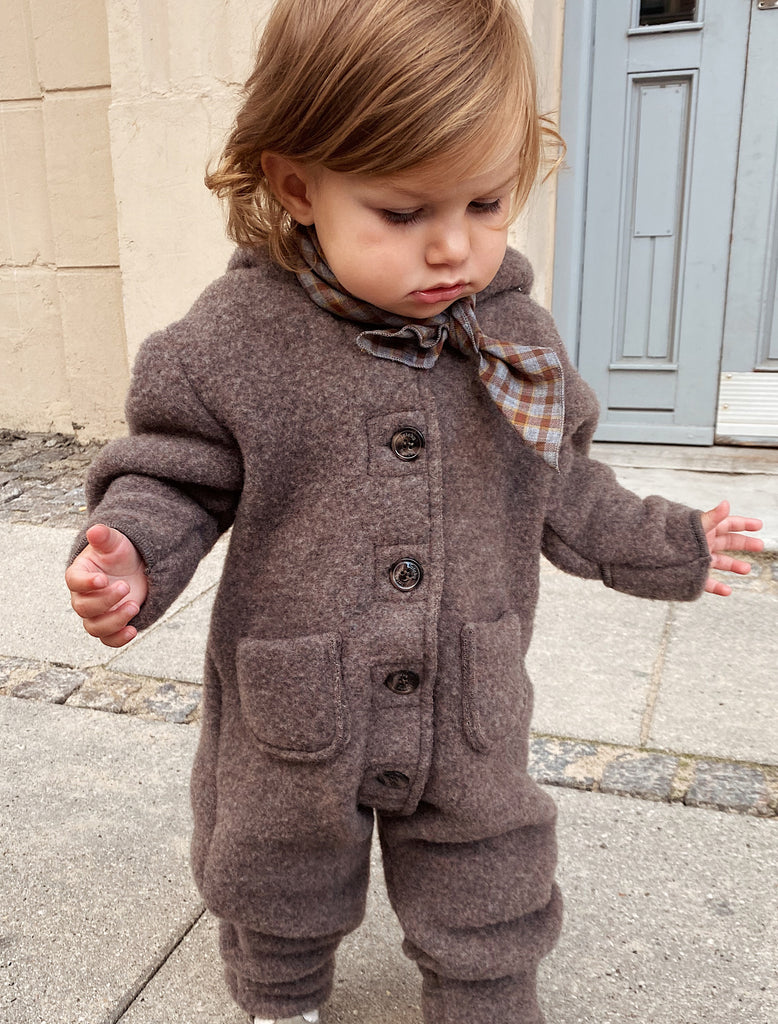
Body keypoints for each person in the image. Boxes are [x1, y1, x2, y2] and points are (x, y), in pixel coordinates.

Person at [65, 1, 763, 1021]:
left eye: (486, 203)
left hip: (468, 690)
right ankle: (280, 997)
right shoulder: (232, 341)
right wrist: (133, 551)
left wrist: (673, 541)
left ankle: (485, 1001)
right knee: (276, 866)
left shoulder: (512, 339)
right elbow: (177, 473)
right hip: (298, 691)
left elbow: (565, 487)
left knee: (491, 866)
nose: (453, 249)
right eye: (403, 213)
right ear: (296, 186)